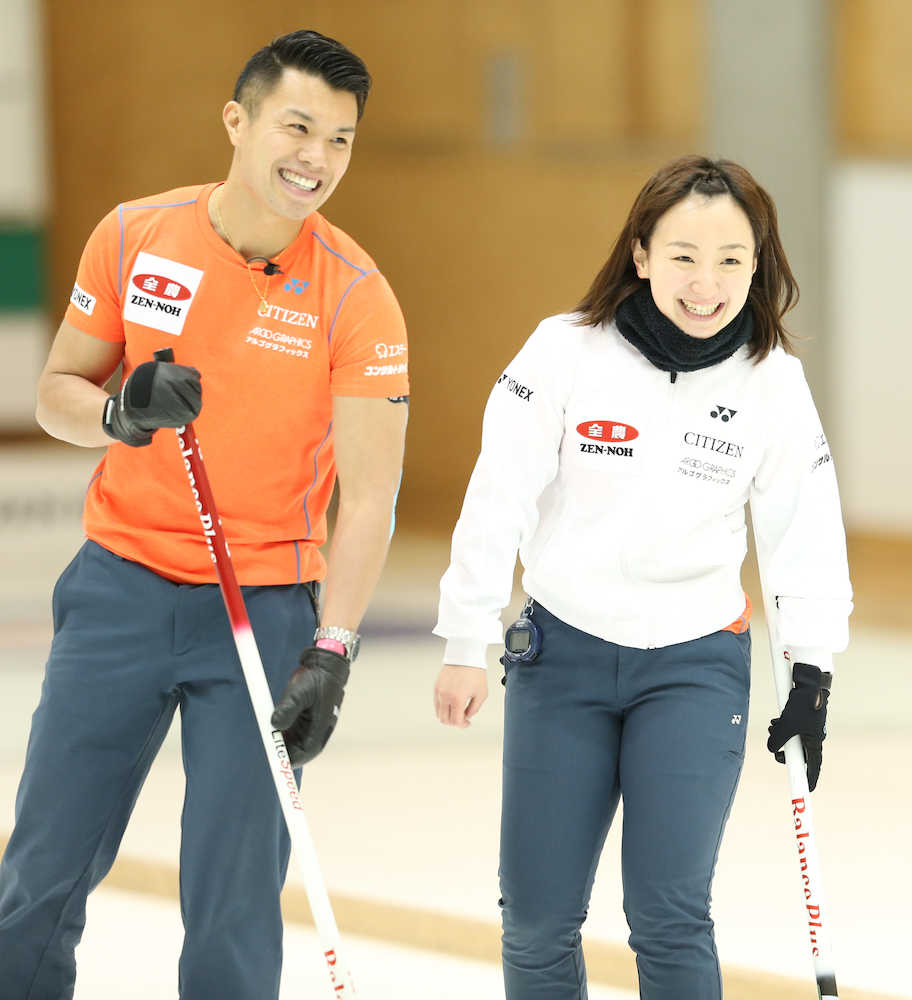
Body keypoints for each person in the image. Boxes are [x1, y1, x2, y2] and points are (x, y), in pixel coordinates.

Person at [0, 29, 408, 1000]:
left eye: (340, 141)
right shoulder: (137, 235)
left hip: (262, 613)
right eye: (298, 125)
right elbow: (56, 388)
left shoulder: (357, 297)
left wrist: (334, 650)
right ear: (239, 119)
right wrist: (116, 413)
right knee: (41, 870)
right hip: (119, 591)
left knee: (232, 899)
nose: (316, 158)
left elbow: (373, 498)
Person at [432, 155, 852, 1000]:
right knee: (541, 916)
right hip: (563, 656)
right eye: (685, 256)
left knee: (669, 913)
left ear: (759, 262)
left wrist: (813, 673)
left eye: (733, 259)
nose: (708, 283)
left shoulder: (772, 381)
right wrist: (465, 635)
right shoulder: (564, 351)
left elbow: (804, 530)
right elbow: (498, 495)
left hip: (694, 664)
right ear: (641, 254)